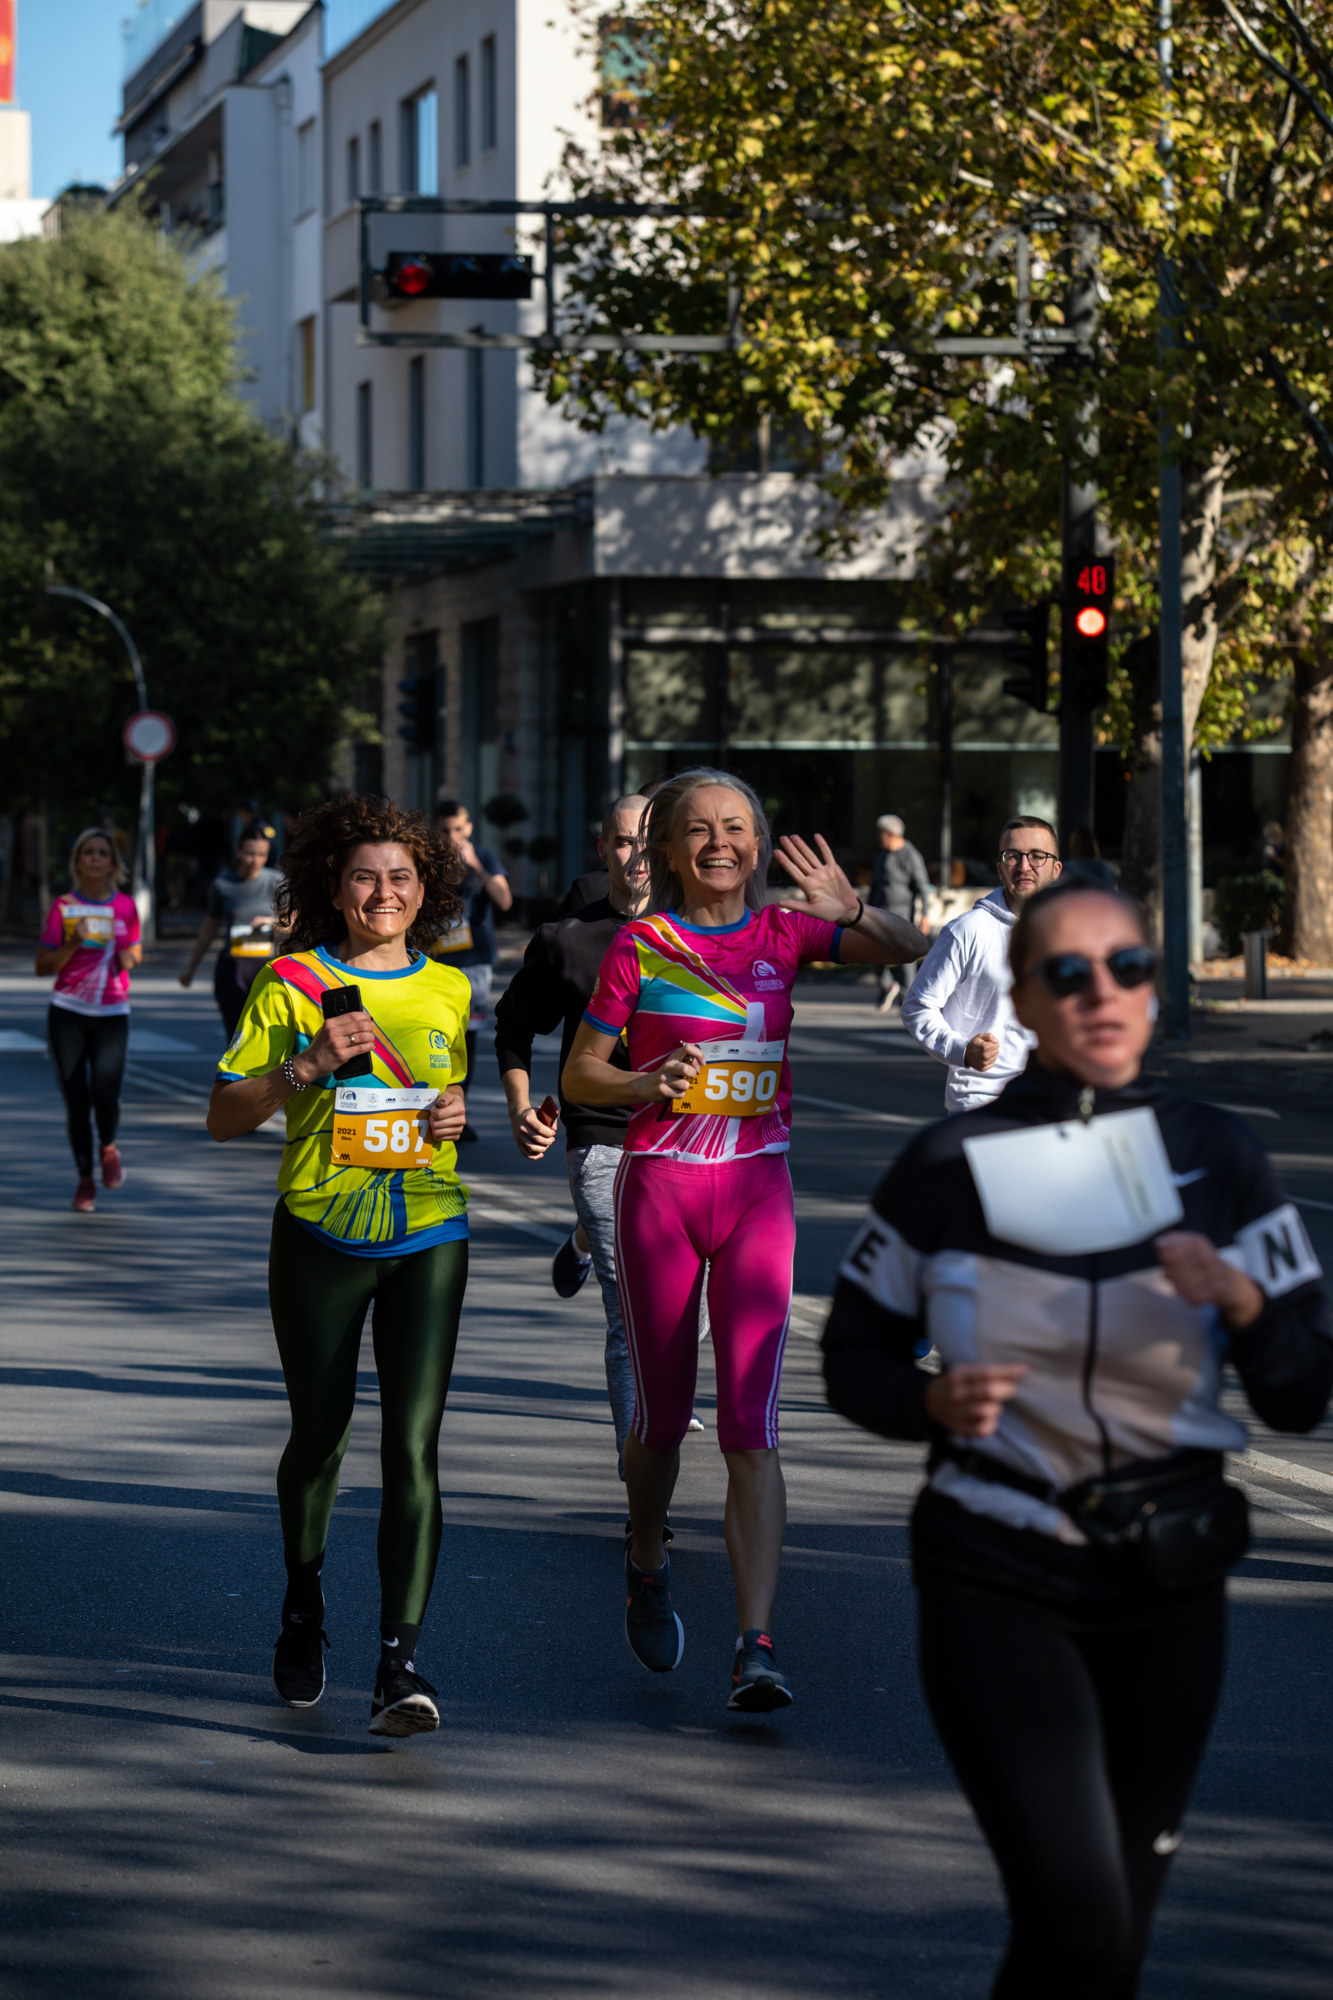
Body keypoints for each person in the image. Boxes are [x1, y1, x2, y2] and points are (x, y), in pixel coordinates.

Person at [822, 878, 1333, 1999]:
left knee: (1104, 1946)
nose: (1102, 993)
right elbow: (849, 1357)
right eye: (1068, 972)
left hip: (1167, 1580)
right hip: (996, 1571)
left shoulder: (1217, 1155)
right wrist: (930, 1405)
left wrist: (1244, 1305)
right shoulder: (947, 1166)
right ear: (1027, 996)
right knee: (1080, 1919)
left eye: (1128, 968)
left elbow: (1301, 1396)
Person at [561, 769, 929, 1711]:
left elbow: (915, 948)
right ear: (665, 848)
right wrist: (643, 1087)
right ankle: (645, 1551)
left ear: (759, 843)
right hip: (662, 1198)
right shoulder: (644, 946)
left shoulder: (783, 932)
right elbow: (580, 1077)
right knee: (659, 1419)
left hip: (757, 1193)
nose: (718, 842)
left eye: (735, 827)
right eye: (696, 828)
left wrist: (854, 911)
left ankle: (755, 1644)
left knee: (749, 1424)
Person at [206, 796, 470, 1738]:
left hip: (429, 1231)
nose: (384, 892)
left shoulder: (448, 988)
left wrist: (454, 1119)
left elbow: (448, 1099)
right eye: (365, 875)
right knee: (320, 1438)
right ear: (335, 885)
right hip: (318, 1231)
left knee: (413, 1450)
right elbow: (224, 1114)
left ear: (424, 889)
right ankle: (303, 1604)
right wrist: (307, 1065)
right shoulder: (289, 982)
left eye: (401, 877)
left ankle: (399, 1665)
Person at [494, 796, 651, 1474]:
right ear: (602, 850)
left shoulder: (706, 929)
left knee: (691, 1308)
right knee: (633, 1321)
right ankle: (641, 1487)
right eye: (622, 844)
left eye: (648, 843)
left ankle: (582, 1237)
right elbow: (514, 1026)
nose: (636, 858)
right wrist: (521, 1106)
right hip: (603, 1137)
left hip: (694, 1142)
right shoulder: (570, 939)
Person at [902, 815, 1061, 1112]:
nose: (1024, 866)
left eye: (1037, 856)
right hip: (983, 1101)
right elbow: (917, 1006)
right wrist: (962, 1050)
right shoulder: (968, 930)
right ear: (1000, 869)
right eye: (1013, 856)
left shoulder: (1071, 934)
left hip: (1051, 1101)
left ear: (1056, 869)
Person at [36, 829, 143, 1212]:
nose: (96, 859)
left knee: (105, 1091)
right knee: (76, 1101)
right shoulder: (64, 907)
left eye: (103, 853)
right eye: (89, 853)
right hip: (67, 1012)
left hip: (112, 1011)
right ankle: (85, 1179)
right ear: (78, 861)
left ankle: (109, 1146)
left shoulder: (126, 907)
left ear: (113, 863)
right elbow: (41, 966)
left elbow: (135, 952)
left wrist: (128, 957)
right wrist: (72, 943)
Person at [433, 800, 512, 1142]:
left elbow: (505, 900)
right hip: (436, 964)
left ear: (469, 828)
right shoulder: (430, 860)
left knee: (467, 1039)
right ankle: (434, 1111)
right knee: (435, 1039)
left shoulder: (483, 856)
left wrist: (475, 864)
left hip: (474, 965)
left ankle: (458, 1115)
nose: (452, 837)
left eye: (458, 829)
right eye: (445, 830)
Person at [178, 821, 283, 1038]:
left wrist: (270, 922)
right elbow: (209, 929)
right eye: (250, 854)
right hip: (232, 968)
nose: (256, 860)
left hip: (268, 969)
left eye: (262, 855)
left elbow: (296, 922)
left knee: (268, 1037)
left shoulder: (277, 882)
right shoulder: (223, 884)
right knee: (236, 1038)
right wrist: (191, 969)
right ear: (238, 851)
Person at [869, 813, 932, 1014]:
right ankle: (887, 985)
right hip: (879, 914)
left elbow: (923, 888)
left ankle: (907, 995)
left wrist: (925, 915)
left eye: (881, 834)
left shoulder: (910, 856)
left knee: (904, 957)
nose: (878, 838)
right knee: (873, 951)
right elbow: (874, 888)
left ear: (891, 834)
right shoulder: (882, 857)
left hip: (902, 915)